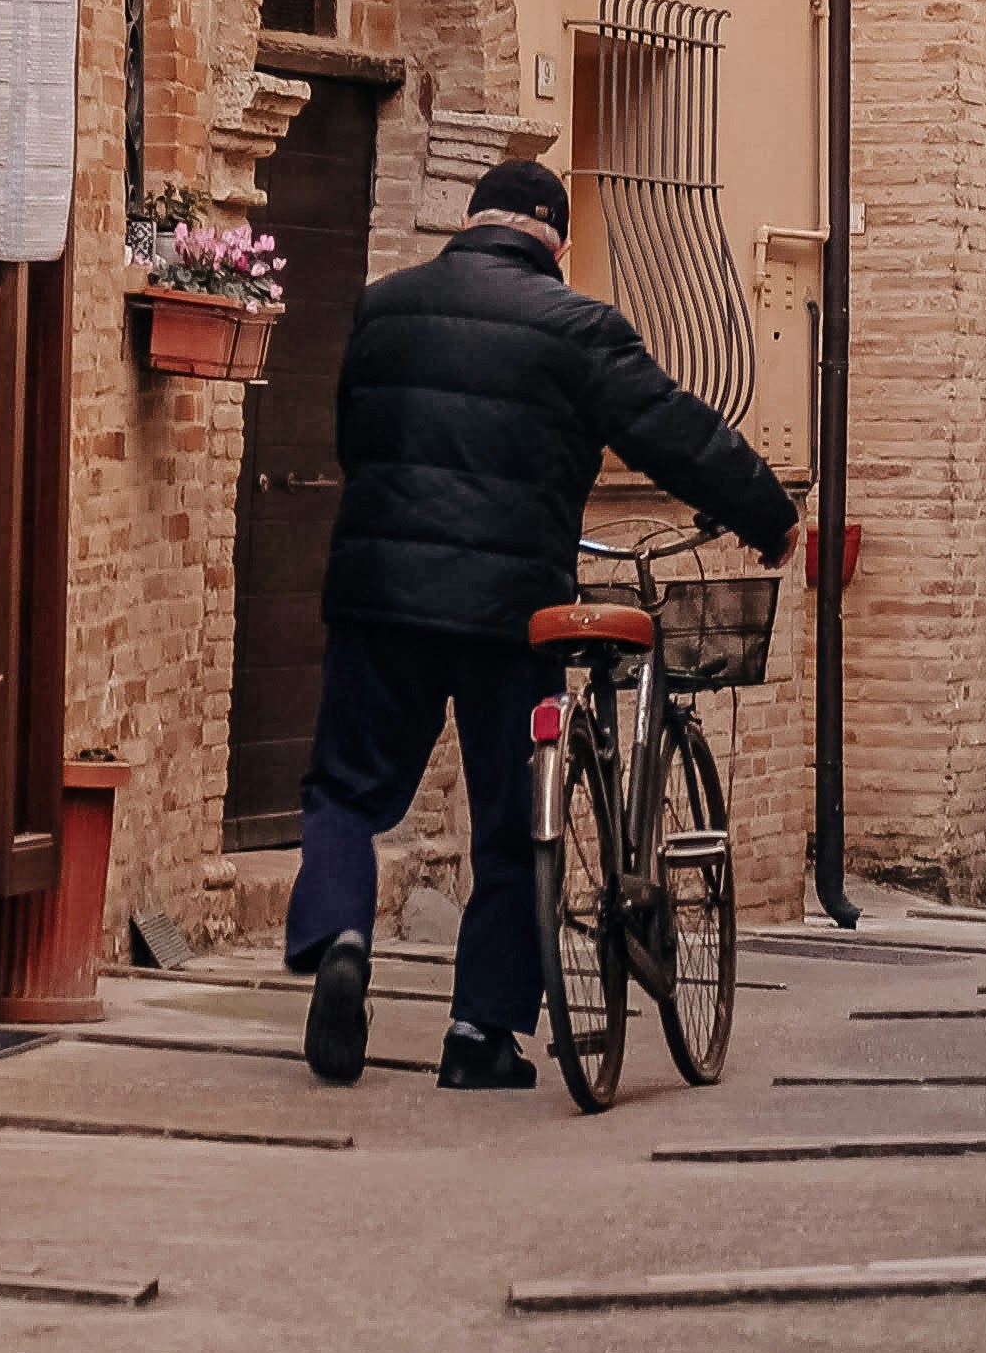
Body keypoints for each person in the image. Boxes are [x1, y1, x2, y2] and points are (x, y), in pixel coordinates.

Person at [288, 159, 798, 1091]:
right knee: (514, 823)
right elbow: (671, 428)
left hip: (379, 599)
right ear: (554, 240)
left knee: (345, 793)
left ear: (472, 218)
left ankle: (341, 936)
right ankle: (481, 1035)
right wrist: (767, 512)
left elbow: (353, 437)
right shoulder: (576, 326)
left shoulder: (384, 307)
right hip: (509, 615)